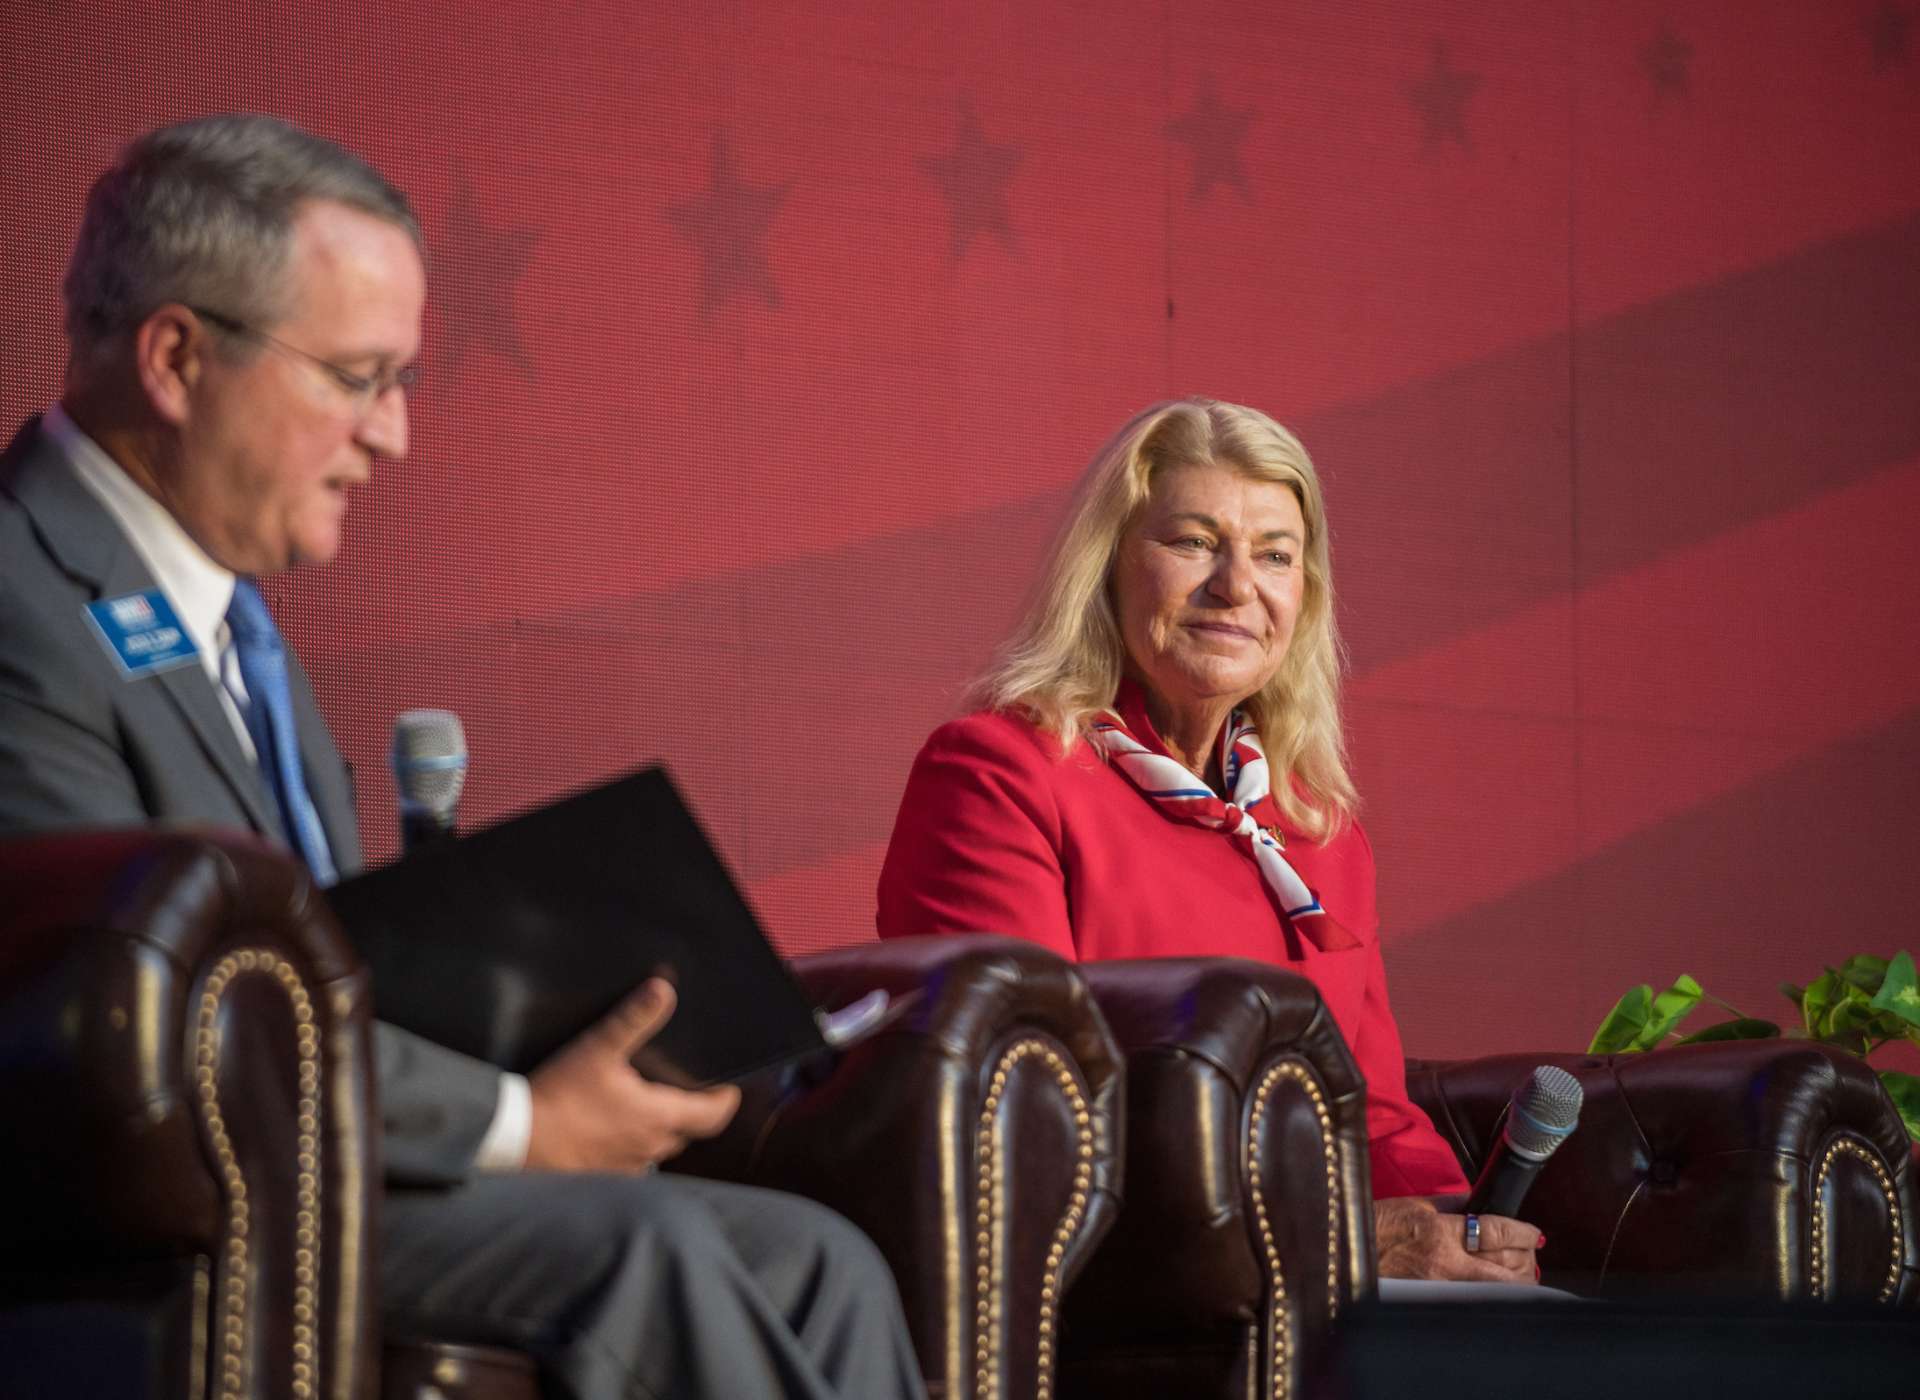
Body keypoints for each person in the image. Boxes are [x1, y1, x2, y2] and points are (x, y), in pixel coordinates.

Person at [0, 114, 927, 1400]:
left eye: (405, 385)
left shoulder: (233, 628)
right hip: (193, 1210)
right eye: (358, 377)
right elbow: (114, 1013)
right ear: (176, 356)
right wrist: (524, 1121)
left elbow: (310, 971)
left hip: (333, 1163)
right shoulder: (20, 600)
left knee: (822, 1264)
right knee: (653, 1255)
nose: (392, 439)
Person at [877, 397, 1541, 1286]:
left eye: (1275, 555)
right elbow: (1025, 1107)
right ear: (1107, 567)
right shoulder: (1001, 773)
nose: (1237, 585)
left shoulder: (1317, 831)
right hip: (1127, 1281)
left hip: (1321, 1280)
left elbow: (1373, 1115)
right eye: (1193, 542)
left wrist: (1463, 1230)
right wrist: (1338, 1238)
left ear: (1305, 598)